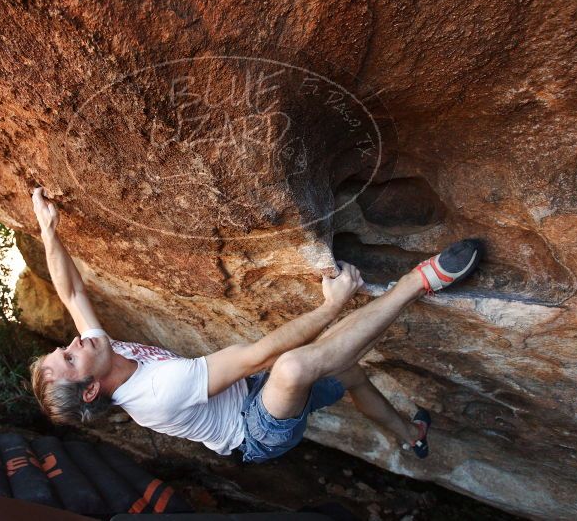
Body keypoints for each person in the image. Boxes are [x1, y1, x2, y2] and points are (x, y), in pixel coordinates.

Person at [29, 187, 481, 462]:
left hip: (250, 394)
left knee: (350, 372)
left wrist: (48, 229)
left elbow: (71, 293)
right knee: (291, 369)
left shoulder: (100, 354)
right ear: (90, 388)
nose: (73, 340)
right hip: (256, 431)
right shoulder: (155, 392)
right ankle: (418, 283)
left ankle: (410, 437)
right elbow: (260, 357)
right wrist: (331, 306)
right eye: (68, 356)